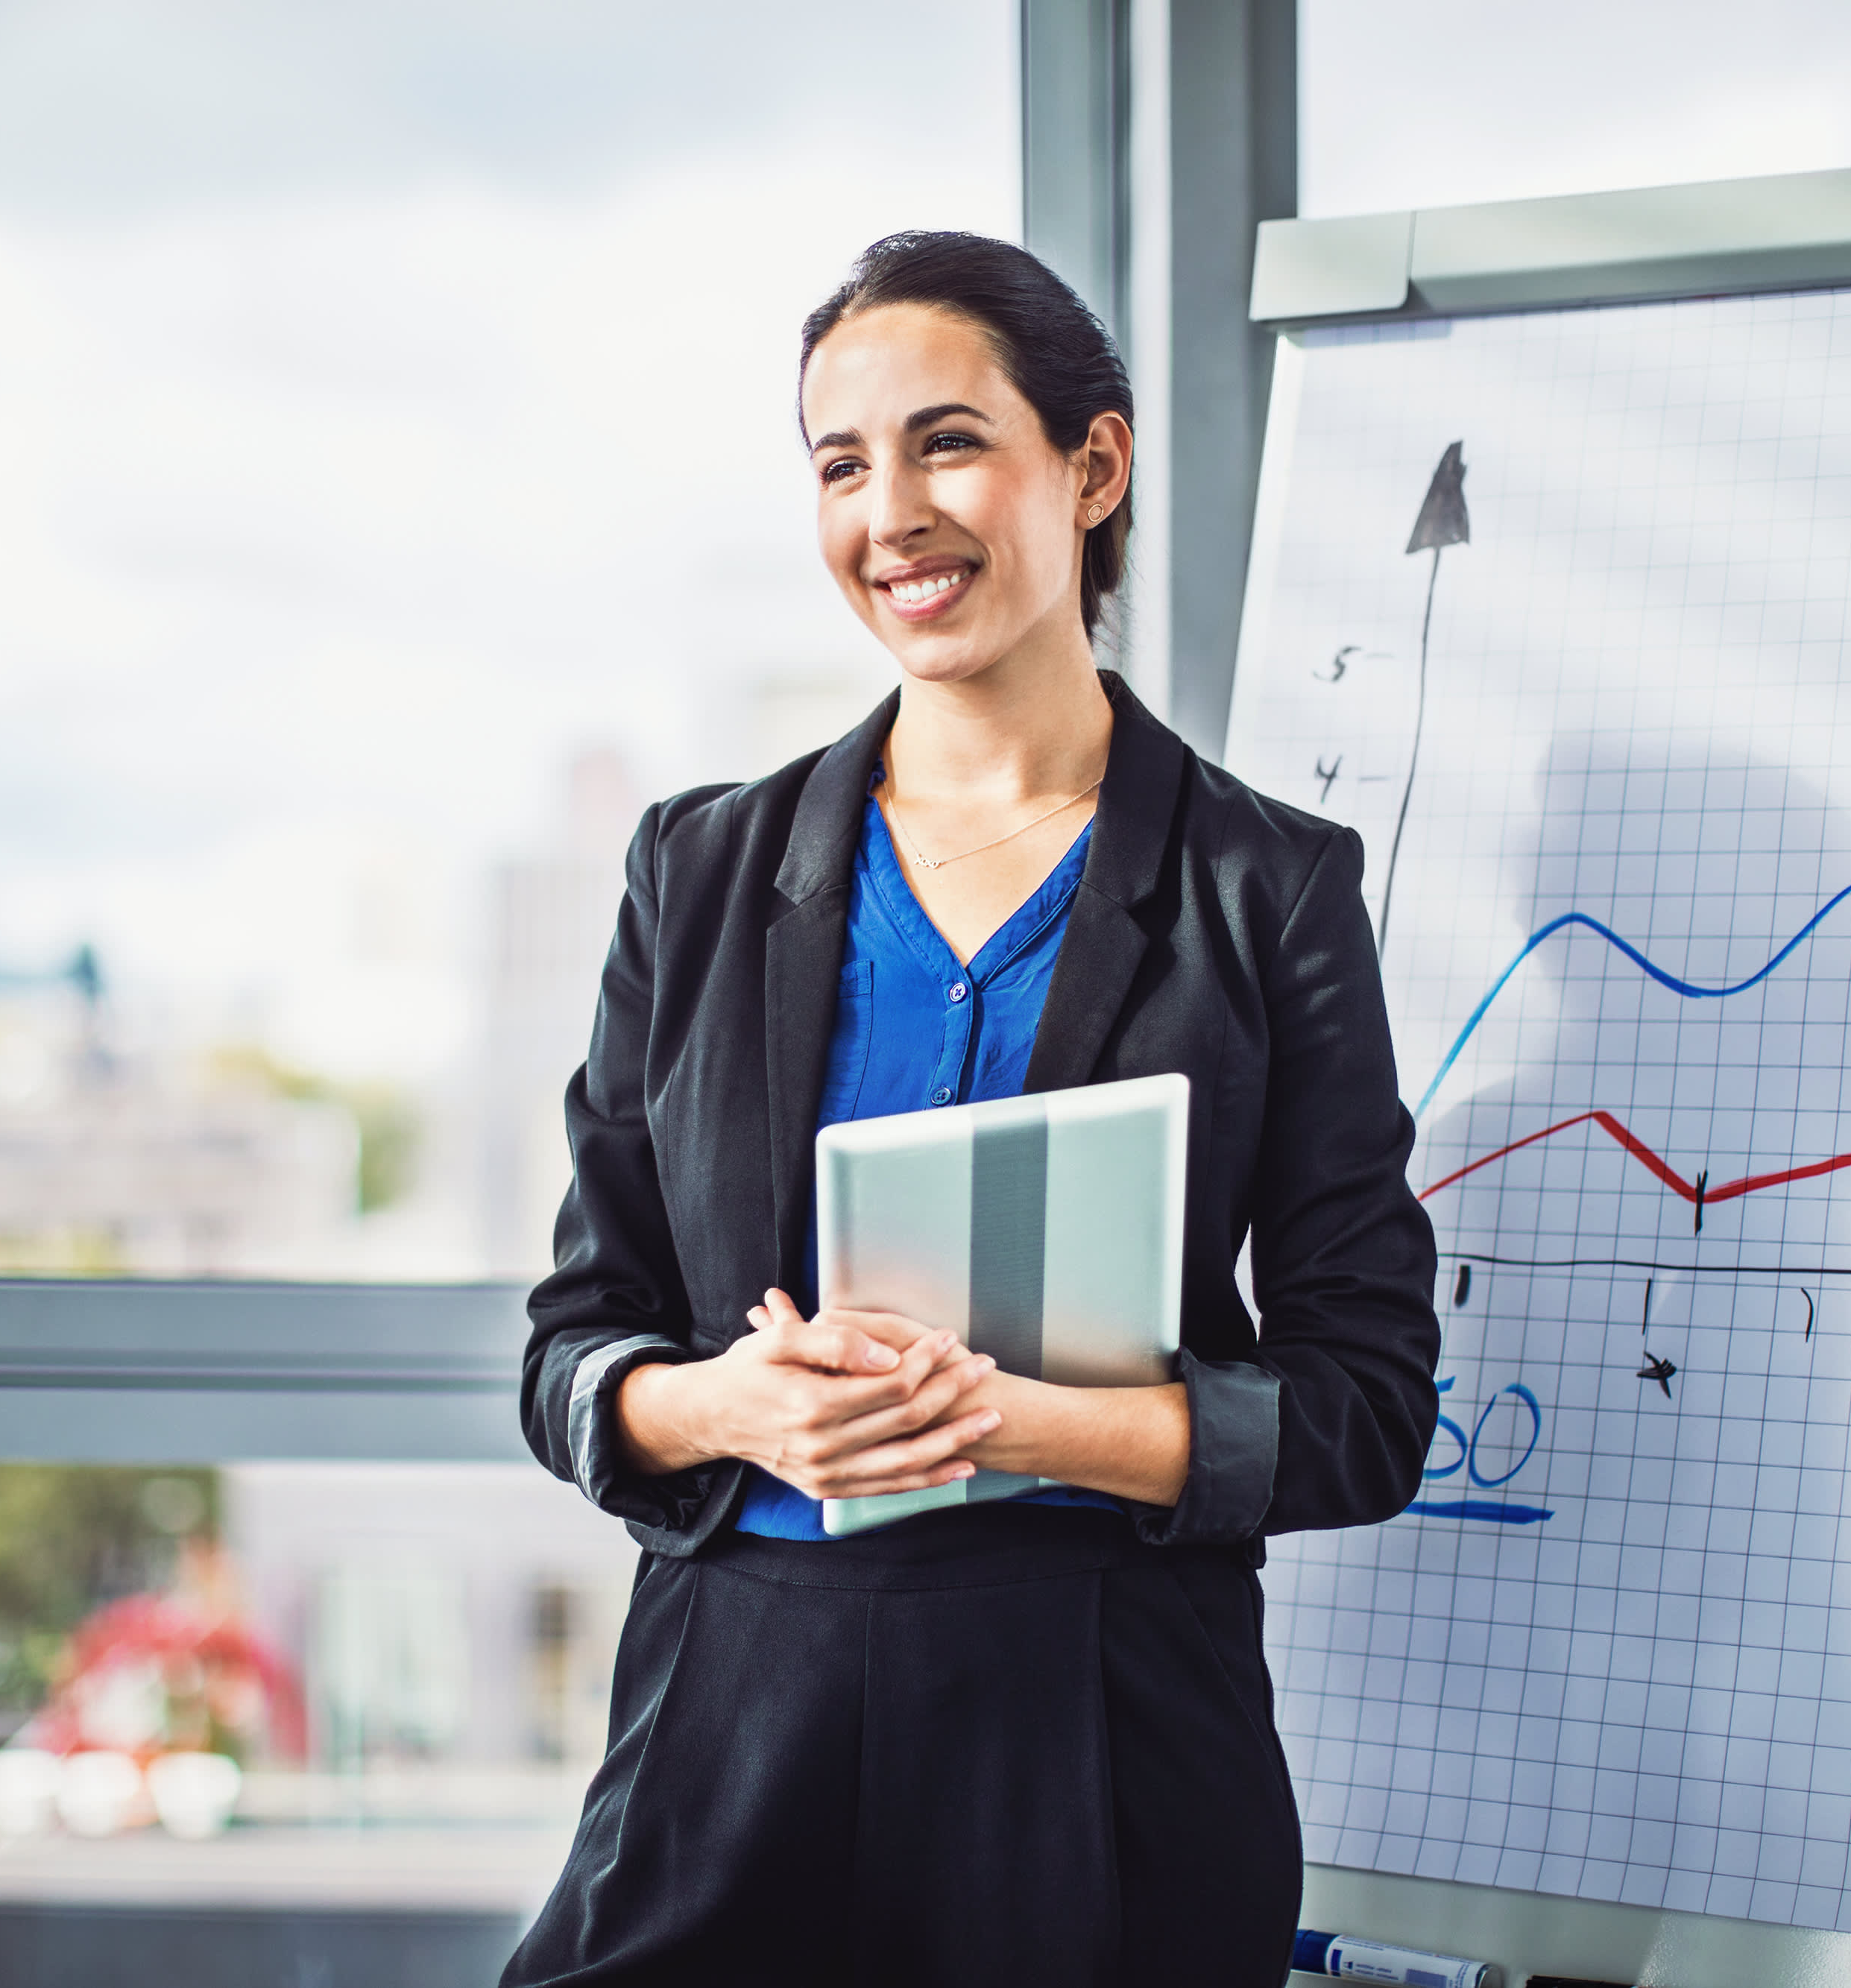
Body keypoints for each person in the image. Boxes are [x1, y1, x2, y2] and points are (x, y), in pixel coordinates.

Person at [506, 230, 1440, 1988]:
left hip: (1096, 1736)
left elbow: (1367, 1410)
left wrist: (1016, 1421)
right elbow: (571, 1347)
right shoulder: (694, 873)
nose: (890, 514)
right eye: (839, 464)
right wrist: (718, 1402)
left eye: (945, 443)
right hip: (731, 1717)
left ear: (1092, 465)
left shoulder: (1265, 890)